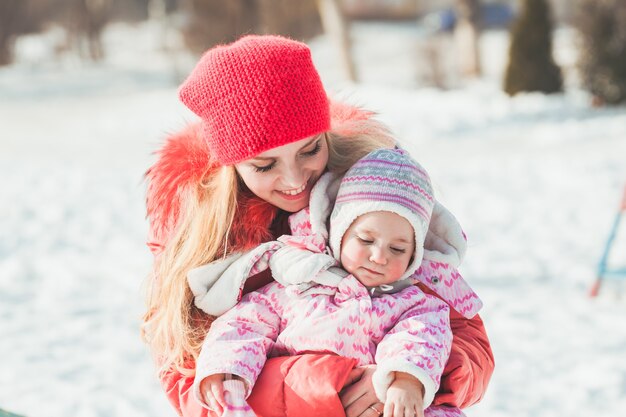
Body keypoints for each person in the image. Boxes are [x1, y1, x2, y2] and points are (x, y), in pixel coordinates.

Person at [142, 34, 494, 417]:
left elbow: (469, 344)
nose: (295, 179)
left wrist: (409, 377)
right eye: (265, 165)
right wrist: (327, 383)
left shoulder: (375, 194)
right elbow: (185, 377)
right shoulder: (197, 229)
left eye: (310, 150)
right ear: (232, 167)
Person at [188, 148, 477, 417]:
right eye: (366, 240)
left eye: (398, 249)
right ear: (339, 232)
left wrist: (406, 379)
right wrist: (228, 373)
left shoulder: (415, 304)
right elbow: (243, 325)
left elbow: (422, 338)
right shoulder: (296, 286)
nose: (379, 256)